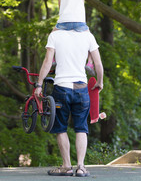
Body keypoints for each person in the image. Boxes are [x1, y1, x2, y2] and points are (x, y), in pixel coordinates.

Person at [34, 25, 104, 176]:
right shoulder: (88, 36)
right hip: (82, 88)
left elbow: (47, 62)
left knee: (60, 128)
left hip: (62, 88)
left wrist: (39, 84)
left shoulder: (55, 36)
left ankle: (66, 166)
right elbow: (98, 64)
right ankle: (80, 167)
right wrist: (100, 81)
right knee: (81, 128)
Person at [52, 0, 95, 76]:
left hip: (63, 23)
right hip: (80, 23)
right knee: (91, 40)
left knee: (51, 36)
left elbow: (61, 7)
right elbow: (81, 7)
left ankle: (53, 59)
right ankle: (90, 63)